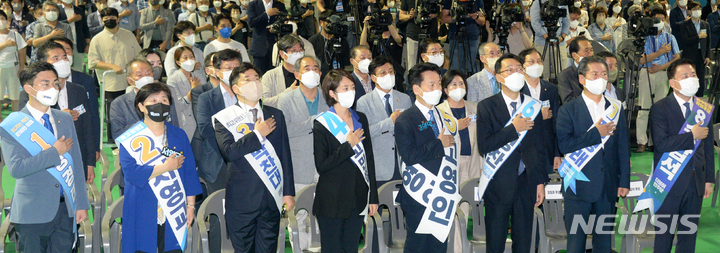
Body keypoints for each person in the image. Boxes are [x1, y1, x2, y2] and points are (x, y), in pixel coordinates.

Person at [0, 61, 89, 252]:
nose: (53, 88)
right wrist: (54, 152)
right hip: (32, 212)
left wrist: (81, 203)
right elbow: (16, 168)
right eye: (45, 84)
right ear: (28, 88)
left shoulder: (64, 118)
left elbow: (76, 164)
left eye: (55, 83)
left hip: (66, 209)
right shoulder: (12, 125)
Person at [213, 63, 295, 252]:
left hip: (271, 198)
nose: (254, 83)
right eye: (247, 79)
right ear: (236, 88)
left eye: (256, 78)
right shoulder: (224, 117)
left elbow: (285, 155)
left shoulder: (276, 114)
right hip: (242, 201)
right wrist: (257, 135)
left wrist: (288, 192)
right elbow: (229, 152)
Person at [116, 82, 202, 252]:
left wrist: (190, 205)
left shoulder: (179, 135)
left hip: (174, 206)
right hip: (141, 205)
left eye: (164, 99)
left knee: (171, 248)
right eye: (153, 99)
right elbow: (132, 173)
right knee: (141, 247)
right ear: (141, 106)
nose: (160, 103)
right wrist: (166, 167)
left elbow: (189, 173)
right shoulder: (130, 138)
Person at [556, 56, 630, 252]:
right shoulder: (568, 110)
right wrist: (596, 134)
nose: (600, 78)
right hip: (578, 185)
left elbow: (623, 147)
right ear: (582, 79)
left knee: (604, 243)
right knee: (576, 244)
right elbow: (564, 145)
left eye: (604, 74)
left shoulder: (615, 107)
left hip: (608, 186)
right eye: (594, 74)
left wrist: (624, 181)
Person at [475, 54, 547, 253]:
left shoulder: (533, 106)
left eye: (518, 69)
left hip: (527, 183)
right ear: (499, 77)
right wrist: (513, 128)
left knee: (524, 242)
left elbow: (539, 148)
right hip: (498, 183)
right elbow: (484, 145)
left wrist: (540, 182)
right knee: (496, 242)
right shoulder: (487, 106)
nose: (516, 73)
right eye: (510, 70)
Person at [648, 58, 715, 253]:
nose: (691, 79)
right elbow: (661, 144)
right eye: (684, 76)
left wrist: (709, 179)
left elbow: (708, 147)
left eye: (693, 75)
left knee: (689, 237)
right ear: (673, 83)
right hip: (669, 181)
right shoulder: (660, 108)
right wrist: (690, 136)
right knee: (664, 237)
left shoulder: (703, 107)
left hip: (696, 184)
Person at [394, 62, 460, 252]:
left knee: (439, 246)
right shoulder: (406, 119)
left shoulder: (442, 114)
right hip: (419, 195)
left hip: (442, 192)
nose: (438, 88)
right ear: (417, 89)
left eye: (439, 84)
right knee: (418, 246)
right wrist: (439, 144)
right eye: (432, 85)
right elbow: (409, 155)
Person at [313, 69, 378, 252]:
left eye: (352, 87)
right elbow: (322, 165)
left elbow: (369, 159)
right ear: (332, 93)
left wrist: (372, 197)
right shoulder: (322, 123)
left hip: (357, 198)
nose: (351, 91)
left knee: (351, 248)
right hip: (332, 200)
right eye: (345, 88)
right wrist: (348, 147)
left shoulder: (360, 118)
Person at [18, 41, 97, 183]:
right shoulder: (30, 94)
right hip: (44, 162)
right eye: (56, 58)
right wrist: (59, 116)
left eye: (65, 57)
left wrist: (90, 162)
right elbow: (28, 130)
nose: (63, 61)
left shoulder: (78, 90)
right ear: (44, 63)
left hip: (75, 160)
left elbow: (88, 127)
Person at [276, 56, 328, 251]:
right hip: (299, 167)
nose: (312, 71)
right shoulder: (286, 99)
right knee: (299, 218)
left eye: (316, 68)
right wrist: (315, 121)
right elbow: (284, 131)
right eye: (307, 68)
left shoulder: (328, 96)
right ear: (297, 74)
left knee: (323, 217)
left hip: (325, 167)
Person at [356, 56, 411, 187]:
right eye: (383, 73)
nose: (388, 75)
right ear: (373, 78)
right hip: (379, 167)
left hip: (404, 165)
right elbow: (365, 133)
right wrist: (389, 122)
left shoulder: (405, 99)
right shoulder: (364, 102)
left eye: (391, 72)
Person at [88, 7, 142, 141]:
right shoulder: (97, 39)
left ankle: (135, 138)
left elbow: (139, 55)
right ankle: (114, 141)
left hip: (131, 82)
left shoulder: (128, 34)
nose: (109, 20)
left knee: (133, 111)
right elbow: (93, 62)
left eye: (112, 18)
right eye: (105, 18)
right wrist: (112, 66)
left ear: (118, 19)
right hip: (111, 84)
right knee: (113, 115)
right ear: (102, 20)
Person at [636, 9, 680, 153]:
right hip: (646, 73)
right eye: (656, 19)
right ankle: (641, 141)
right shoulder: (644, 38)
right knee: (643, 108)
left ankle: (656, 141)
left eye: (661, 19)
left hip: (663, 74)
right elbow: (641, 60)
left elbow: (676, 58)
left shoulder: (670, 37)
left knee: (660, 110)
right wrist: (660, 53)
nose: (659, 22)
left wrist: (661, 67)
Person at [49, 36, 101, 157]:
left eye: (66, 52)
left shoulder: (85, 81)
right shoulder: (40, 88)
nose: (63, 58)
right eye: (57, 55)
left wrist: (95, 148)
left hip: (79, 145)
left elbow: (93, 116)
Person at [109, 59, 180, 140]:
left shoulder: (164, 99)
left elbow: (174, 125)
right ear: (130, 81)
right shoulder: (120, 103)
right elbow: (118, 134)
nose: (145, 78)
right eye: (139, 75)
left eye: (148, 74)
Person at [518, 48, 561, 172]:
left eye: (539, 61)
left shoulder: (551, 89)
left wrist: (557, 153)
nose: (536, 65)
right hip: (523, 151)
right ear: (522, 66)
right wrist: (538, 115)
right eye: (531, 62)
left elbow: (555, 123)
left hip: (547, 150)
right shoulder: (517, 89)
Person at [436, 70, 480, 184]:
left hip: (473, 162)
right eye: (454, 84)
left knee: (471, 199)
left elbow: (481, 137)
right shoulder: (438, 111)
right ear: (445, 90)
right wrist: (455, 127)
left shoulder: (475, 108)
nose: (459, 87)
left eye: (461, 83)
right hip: (450, 163)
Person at [167, 46, 206, 140]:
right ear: (178, 62)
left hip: (201, 120)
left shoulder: (199, 76)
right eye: (185, 58)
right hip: (185, 123)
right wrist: (192, 91)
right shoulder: (173, 80)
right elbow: (178, 106)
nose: (189, 60)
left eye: (191, 57)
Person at [677, 1, 710, 97]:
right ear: (690, 11)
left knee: (700, 80)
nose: (697, 11)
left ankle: (699, 101)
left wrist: (707, 56)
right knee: (688, 79)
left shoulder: (705, 24)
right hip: (689, 56)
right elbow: (685, 41)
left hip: (701, 56)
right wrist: (698, 37)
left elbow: (708, 41)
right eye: (695, 9)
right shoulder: (685, 25)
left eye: (699, 9)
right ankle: (688, 98)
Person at [531, 0, 571, 79]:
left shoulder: (562, 2)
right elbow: (535, 22)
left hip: (559, 43)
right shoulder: (538, 2)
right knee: (543, 73)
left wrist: (562, 37)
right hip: (542, 44)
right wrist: (546, 37)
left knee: (561, 73)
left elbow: (567, 22)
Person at [441, 0, 484, 73]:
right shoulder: (451, 1)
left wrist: (476, 17)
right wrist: (457, 17)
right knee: (455, 68)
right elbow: (443, 19)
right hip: (456, 35)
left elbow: (482, 21)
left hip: (472, 37)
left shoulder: (477, 1)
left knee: (470, 68)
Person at [262, 34, 304, 107]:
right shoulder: (270, 76)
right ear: (282, 53)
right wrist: (289, 92)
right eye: (293, 51)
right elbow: (264, 103)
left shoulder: (309, 73)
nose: (298, 54)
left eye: (300, 50)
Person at [246, 0, 285, 72]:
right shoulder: (253, 4)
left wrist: (276, 28)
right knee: (259, 73)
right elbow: (251, 23)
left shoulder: (280, 5)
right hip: (259, 46)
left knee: (274, 73)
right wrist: (266, 14)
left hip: (274, 45)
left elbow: (284, 23)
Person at [400, 0, 439, 72]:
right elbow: (401, 15)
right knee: (413, 67)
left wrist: (435, 14)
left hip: (431, 33)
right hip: (413, 34)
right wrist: (409, 16)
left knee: (433, 66)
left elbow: (440, 11)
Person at [309, 11, 350, 76]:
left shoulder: (342, 41)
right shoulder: (313, 41)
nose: (332, 25)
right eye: (329, 22)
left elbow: (345, 63)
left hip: (338, 76)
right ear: (321, 23)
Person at [0, 10, 26, 112]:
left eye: (2, 18)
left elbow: (21, 52)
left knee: (15, 96)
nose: (0, 21)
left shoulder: (15, 34)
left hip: (13, 68)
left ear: (7, 21)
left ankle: (16, 116)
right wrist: (5, 45)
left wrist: (21, 67)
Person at [559, 36, 594, 104]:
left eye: (591, 50)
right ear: (575, 55)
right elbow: (568, 102)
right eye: (586, 51)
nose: (590, 54)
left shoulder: (597, 71)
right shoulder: (565, 75)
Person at [56, 0, 90, 70]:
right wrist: (70, 20)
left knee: (78, 69)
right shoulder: (56, 9)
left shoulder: (79, 10)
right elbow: (54, 24)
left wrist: (87, 44)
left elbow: (85, 28)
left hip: (78, 44)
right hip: (62, 44)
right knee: (63, 68)